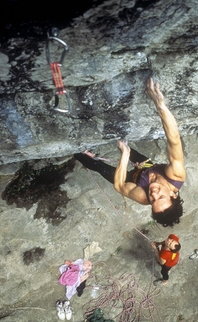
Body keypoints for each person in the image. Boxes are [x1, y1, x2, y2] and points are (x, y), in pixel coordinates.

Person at [74, 77, 186, 227]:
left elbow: (119, 186)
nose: (153, 194)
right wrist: (160, 105)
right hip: (147, 167)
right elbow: (174, 140)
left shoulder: (143, 196)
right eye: (160, 196)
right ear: (173, 194)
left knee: (99, 166)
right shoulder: (176, 175)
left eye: (153, 200)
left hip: (131, 179)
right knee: (125, 143)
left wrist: (124, 156)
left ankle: (76, 153)